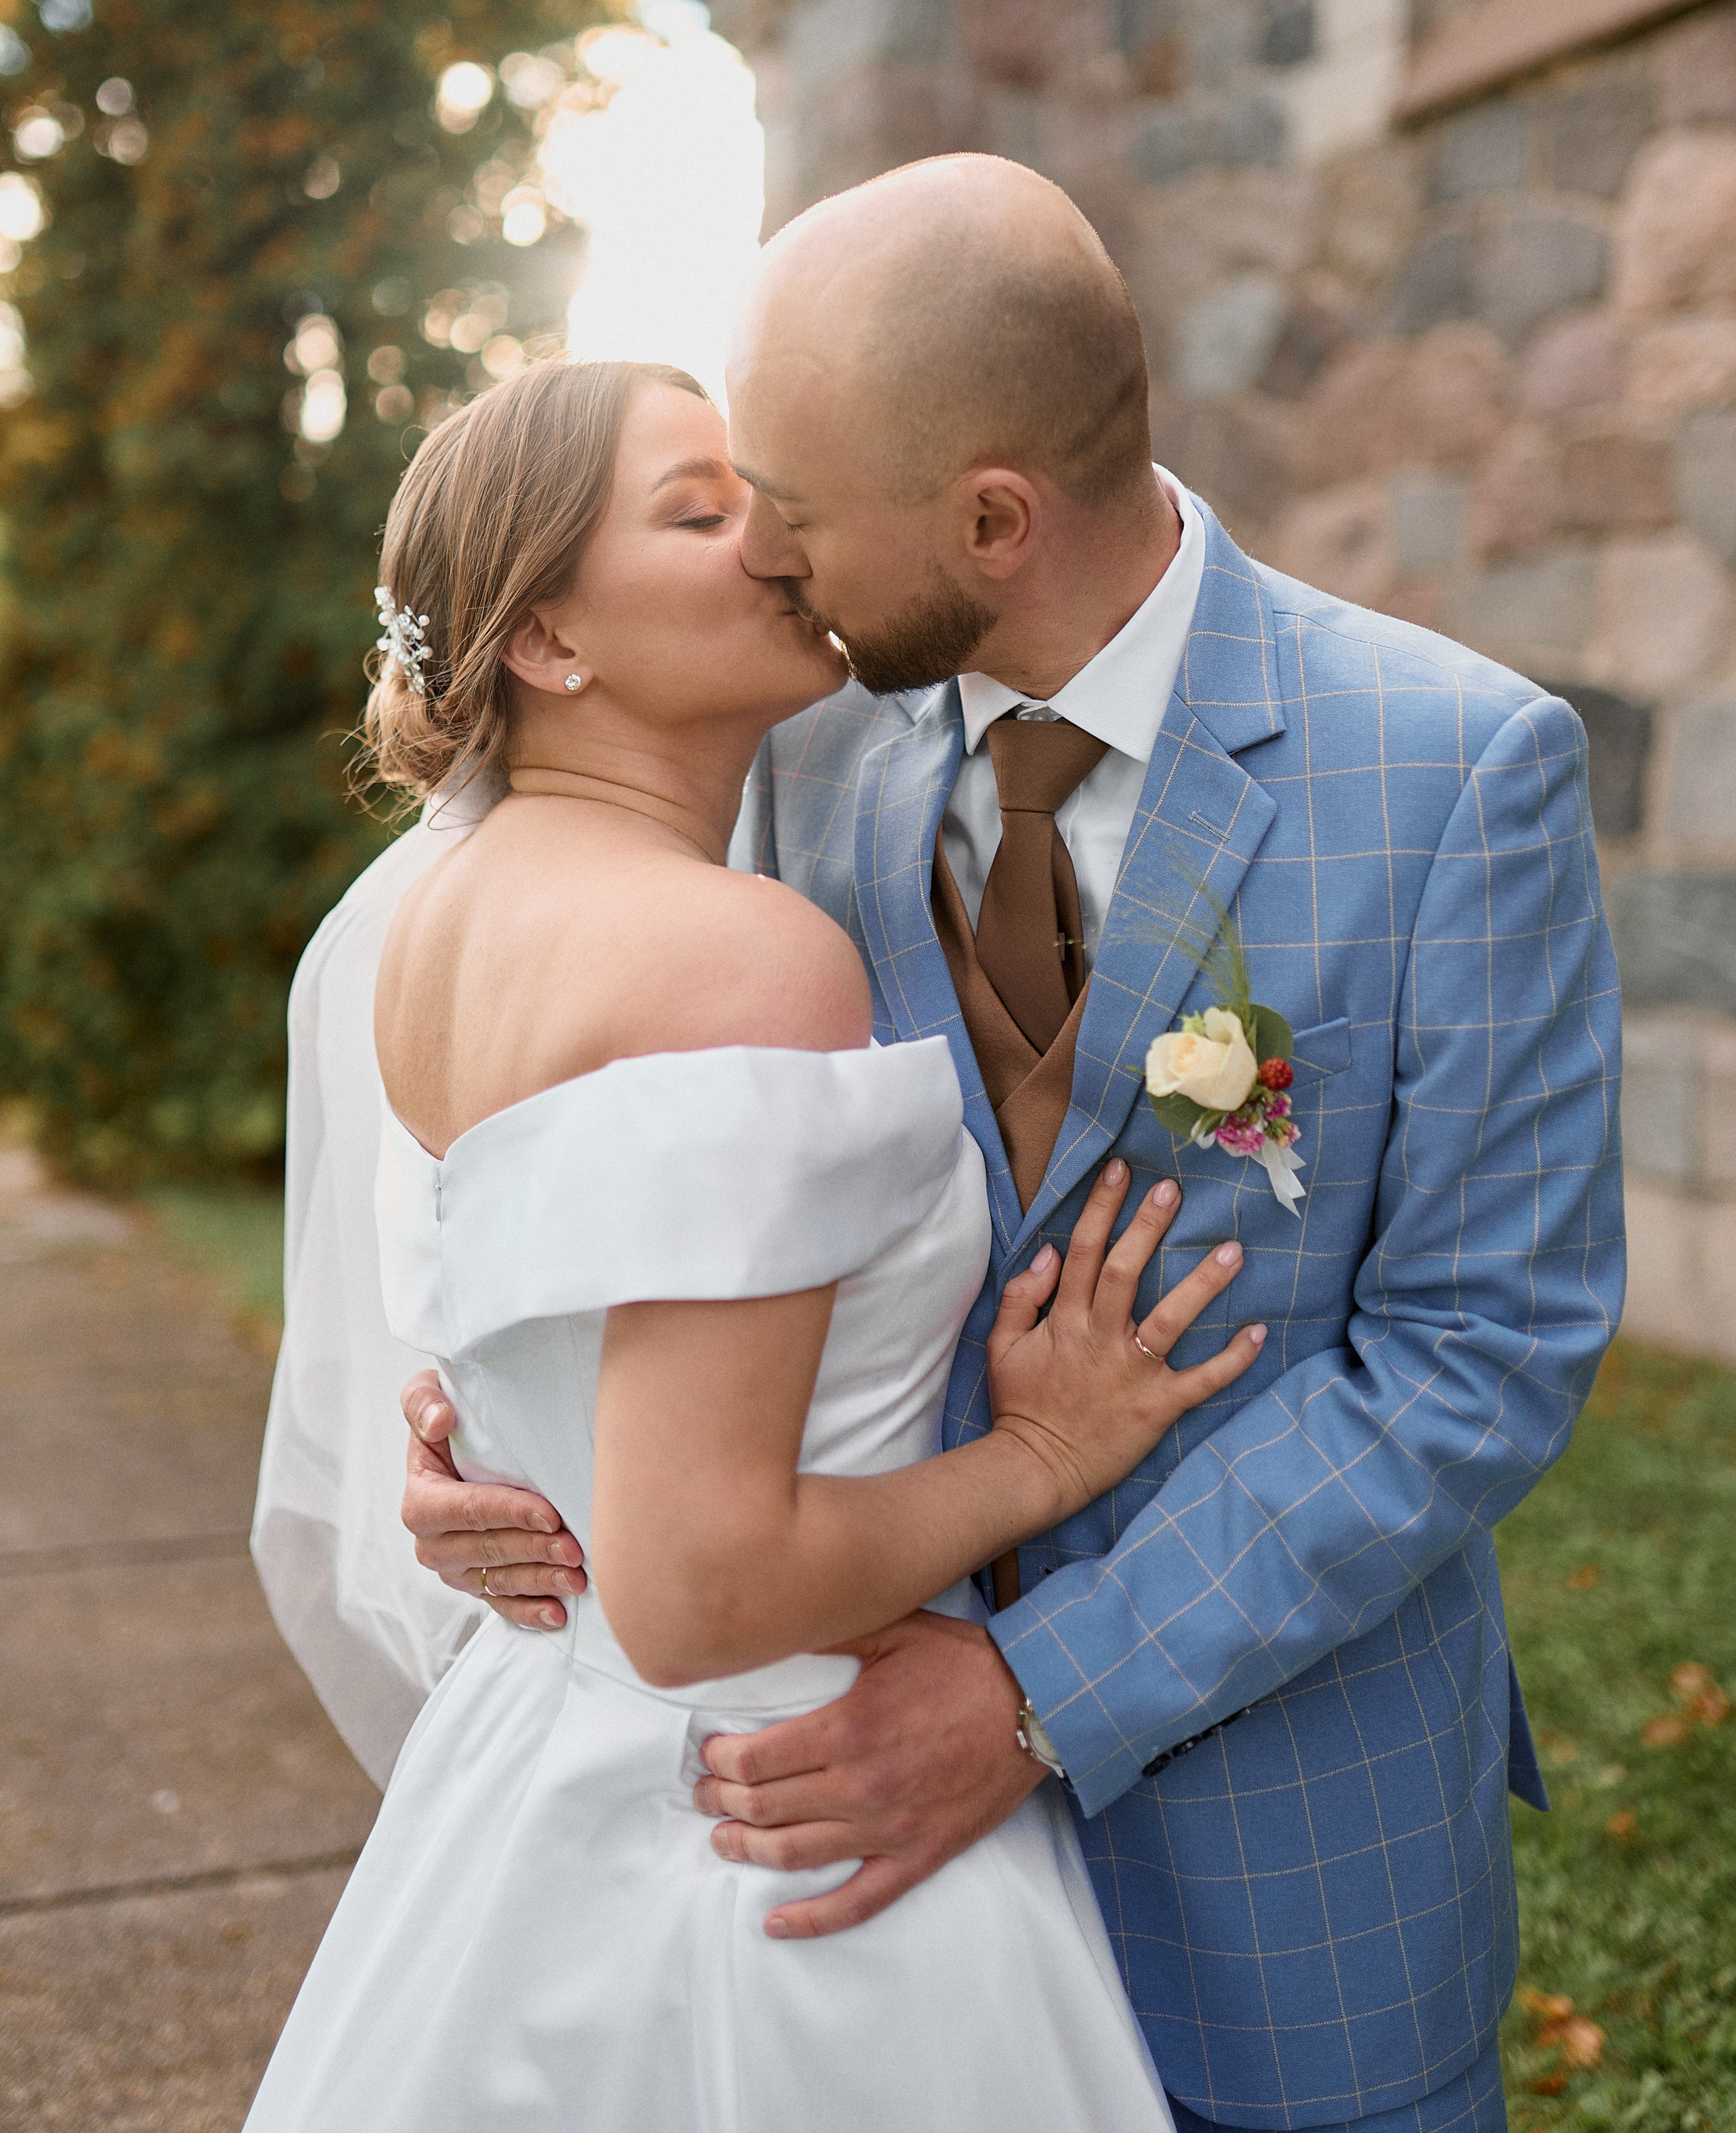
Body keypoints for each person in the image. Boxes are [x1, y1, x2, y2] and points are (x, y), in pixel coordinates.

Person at [394, 159, 1625, 2133]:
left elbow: (1482, 1353)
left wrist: (1038, 1689)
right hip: (864, 1908)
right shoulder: (794, 749)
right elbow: (646, 1150)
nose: (766, 564)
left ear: (990, 518)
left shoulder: (1457, 769)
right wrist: (493, 1426)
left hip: (1290, 1883)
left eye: (789, 512)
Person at [243, 354, 1268, 2132]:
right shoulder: (739, 953)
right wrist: (1041, 1452)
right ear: (549, 642)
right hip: (790, 1805)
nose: (774, 545)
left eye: (768, 498)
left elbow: (549, 1312)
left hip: (534, 1776)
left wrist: (469, 1429)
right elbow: (702, 1587)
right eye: (700, 513)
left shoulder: (434, 928)